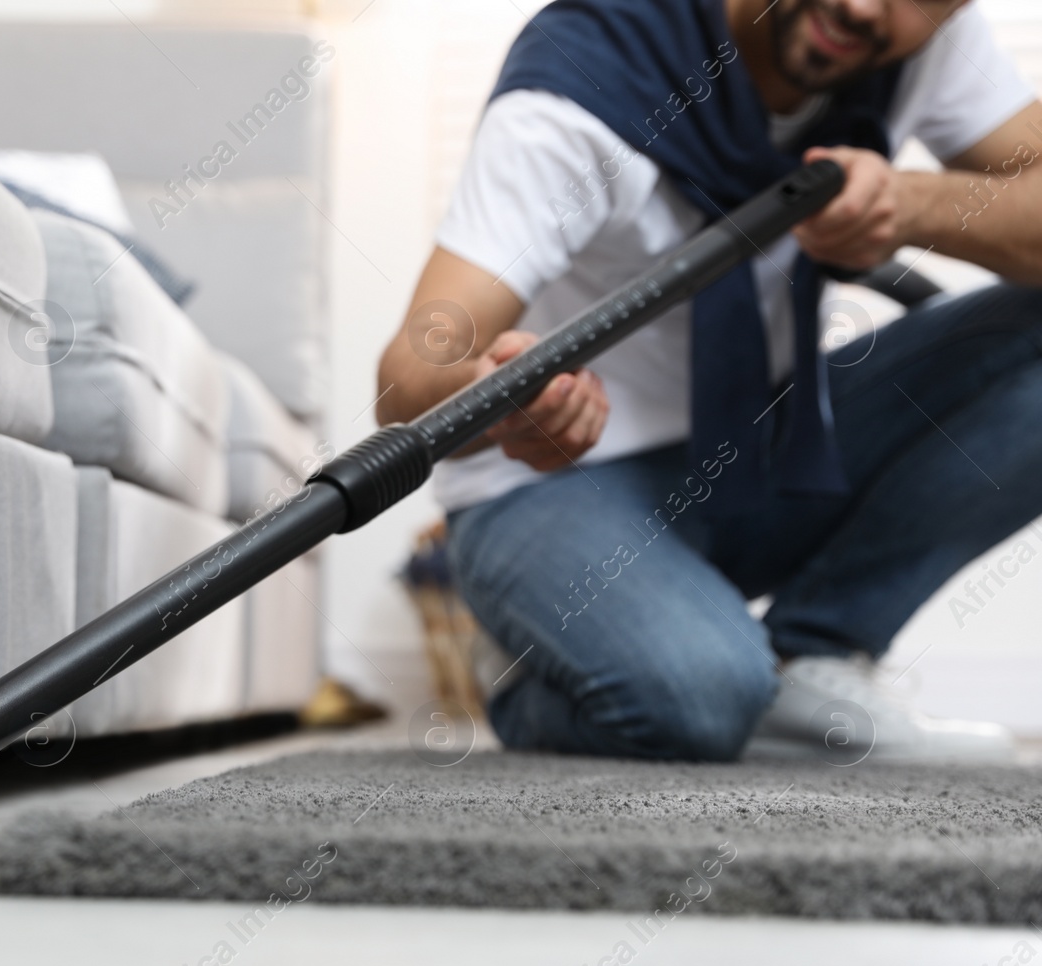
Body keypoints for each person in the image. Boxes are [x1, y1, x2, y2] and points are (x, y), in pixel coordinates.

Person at [377, 0, 1042, 761]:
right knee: (702, 700)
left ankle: (812, 654)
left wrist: (915, 203)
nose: (864, 6)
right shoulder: (578, 86)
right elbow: (407, 377)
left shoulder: (924, 46)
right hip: (557, 487)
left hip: (759, 455)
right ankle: (539, 680)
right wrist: (501, 403)